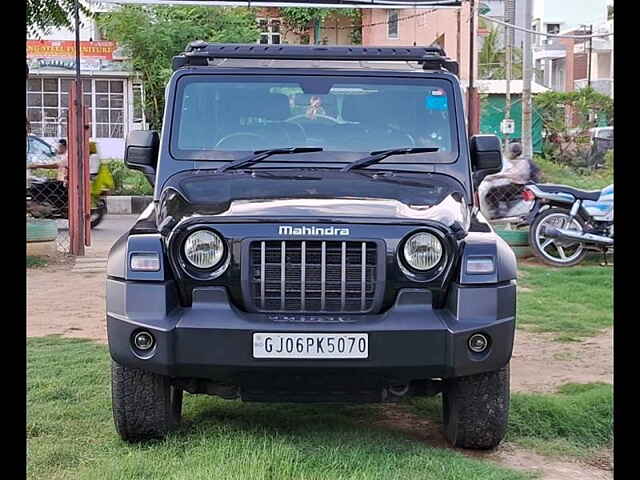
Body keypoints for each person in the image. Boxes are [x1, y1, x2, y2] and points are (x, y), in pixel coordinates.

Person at [478, 142, 540, 219]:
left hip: (518, 186)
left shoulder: (522, 162)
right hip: (515, 184)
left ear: (513, 152)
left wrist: (495, 177)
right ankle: (501, 211)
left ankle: (497, 213)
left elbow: (513, 174)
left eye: (509, 151)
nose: (508, 153)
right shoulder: (516, 161)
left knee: (492, 192)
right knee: (497, 191)